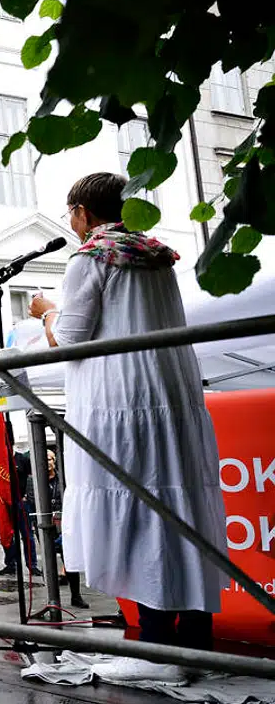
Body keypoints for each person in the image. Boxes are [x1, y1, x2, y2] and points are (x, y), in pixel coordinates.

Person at [31, 172, 227, 650]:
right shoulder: (155, 257)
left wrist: (47, 311)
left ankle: (157, 640)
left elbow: (69, 339)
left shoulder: (91, 258)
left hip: (120, 397)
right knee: (179, 509)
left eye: (70, 213)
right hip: (171, 394)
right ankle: (196, 634)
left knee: (139, 510)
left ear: (82, 213)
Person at [25, 449, 86, 609]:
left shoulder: (63, 478)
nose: (47, 462)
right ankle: (51, 597)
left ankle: (76, 595)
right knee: (48, 560)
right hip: (45, 525)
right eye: (44, 459)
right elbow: (32, 499)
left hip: (64, 523)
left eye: (50, 459)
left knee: (69, 558)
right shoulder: (33, 480)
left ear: (54, 461)